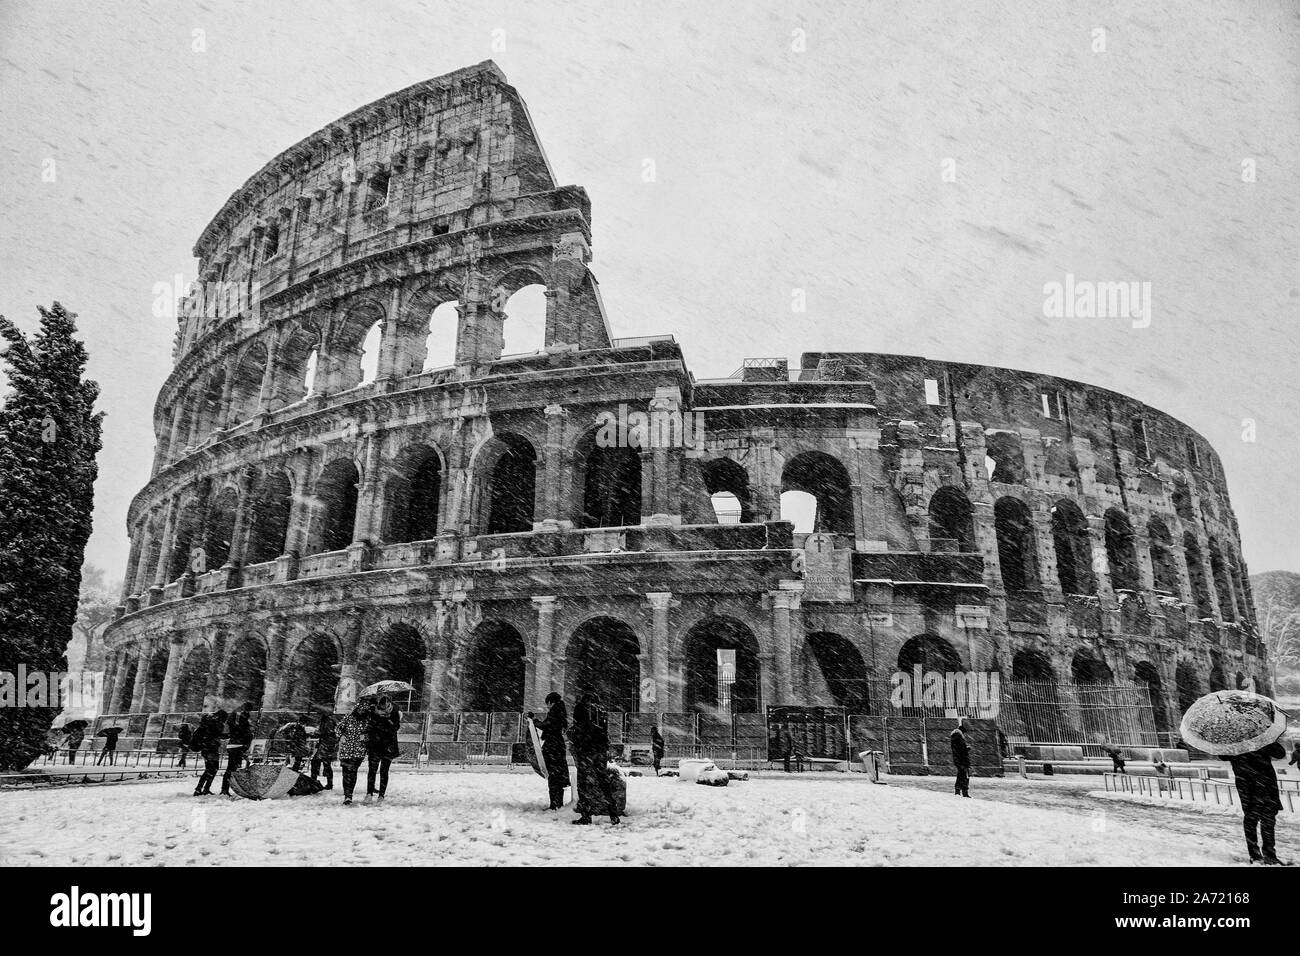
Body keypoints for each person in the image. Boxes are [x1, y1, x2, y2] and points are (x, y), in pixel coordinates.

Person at [1227, 739, 1287, 865]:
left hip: (1253, 786)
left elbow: (1280, 753)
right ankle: (1263, 855)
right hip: (1257, 786)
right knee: (1259, 820)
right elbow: (1280, 753)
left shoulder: (1234, 741)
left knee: (1259, 820)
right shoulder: (1259, 739)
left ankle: (1261, 854)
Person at [567, 693, 619, 825]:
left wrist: (572, 735)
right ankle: (613, 813)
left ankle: (586, 815)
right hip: (600, 750)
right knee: (603, 781)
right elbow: (604, 730)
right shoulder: (601, 709)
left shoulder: (581, 708)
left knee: (583, 784)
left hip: (586, 750)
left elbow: (579, 728)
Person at [531, 692, 570, 810]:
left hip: (553, 747)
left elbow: (546, 726)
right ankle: (558, 803)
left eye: (547, 704)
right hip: (558, 746)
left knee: (553, 776)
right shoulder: (561, 711)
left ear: (551, 702)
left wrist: (534, 720)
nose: (547, 706)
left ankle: (555, 804)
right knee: (557, 775)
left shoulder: (555, 712)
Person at [365, 695, 401, 803]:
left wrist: (388, 720)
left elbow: (396, 727)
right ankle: (369, 793)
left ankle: (381, 794)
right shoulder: (373, 713)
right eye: (381, 705)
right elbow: (369, 727)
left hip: (388, 745)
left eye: (385, 704)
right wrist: (377, 721)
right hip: (375, 745)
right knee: (372, 770)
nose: (383, 707)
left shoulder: (394, 712)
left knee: (384, 771)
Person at [336, 700, 372, 805]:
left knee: (352, 771)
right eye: (360, 708)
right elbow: (338, 728)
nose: (361, 711)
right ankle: (347, 794)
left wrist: (365, 736)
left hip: (358, 751)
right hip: (346, 750)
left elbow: (371, 734)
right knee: (345, 772)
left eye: (363, 709)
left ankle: (349, 794)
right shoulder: (348, 718)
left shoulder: (367, 721)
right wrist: (341, 736)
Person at [191, 710, 227, 796]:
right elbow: (214, 735)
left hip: (207, 749)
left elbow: (213, 735)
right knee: (212, 769)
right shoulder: (215, 724)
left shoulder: (210, 723)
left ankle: (201, 789)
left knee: (210, 769)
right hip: (211, 749)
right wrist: (224, 736)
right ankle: (202, 789)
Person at [220, 706, 253, 795]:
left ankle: (225, 788)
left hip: (232, 746)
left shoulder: (234, 726)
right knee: (233, 768)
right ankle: (227, 788)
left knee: (231, 768)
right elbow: (247, 737)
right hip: (238, 747)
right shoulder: (244, 727)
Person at [311, 713, 339, 790]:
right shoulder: (328, 720)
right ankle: (328, 783)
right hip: (326, 746)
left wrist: (316, 734)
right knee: (324, 764)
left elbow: (326, 733)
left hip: (326, 746)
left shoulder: (327, 721)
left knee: (317, 763)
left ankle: (314, 782)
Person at [950, 719, 971, 797]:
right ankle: (963, 792)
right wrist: (966, 748)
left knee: (961, 774)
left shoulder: (956, 736)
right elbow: (960, 749)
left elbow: (958, 748)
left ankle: (958, 791)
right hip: (961, 760)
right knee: (964, 775)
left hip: (960, 759)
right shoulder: (958, 736)